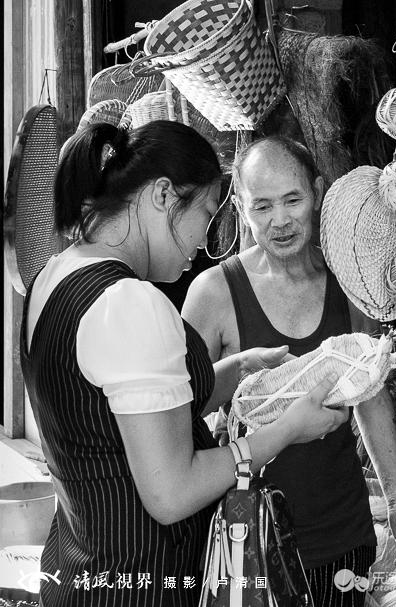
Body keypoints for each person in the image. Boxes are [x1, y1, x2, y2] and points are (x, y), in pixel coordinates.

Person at [22, 122, 348, 607]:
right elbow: (171, 493)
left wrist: (235, 371)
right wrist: (283, 432)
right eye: (206, 214)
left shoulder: (55, 275)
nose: (203, 242)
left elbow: (120, 413)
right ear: (161, 195)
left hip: (78, 570)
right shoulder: (129, 302)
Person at [183, 136, 396, 607]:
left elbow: (371, 393)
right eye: (262, 206)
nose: (279, 221)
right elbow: (182, 406)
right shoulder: (213, 293)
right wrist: (239, 378)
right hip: (247, 539)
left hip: (342, 536)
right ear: (240, 206)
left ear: (317, 192)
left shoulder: (347, 280)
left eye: (293, 200)